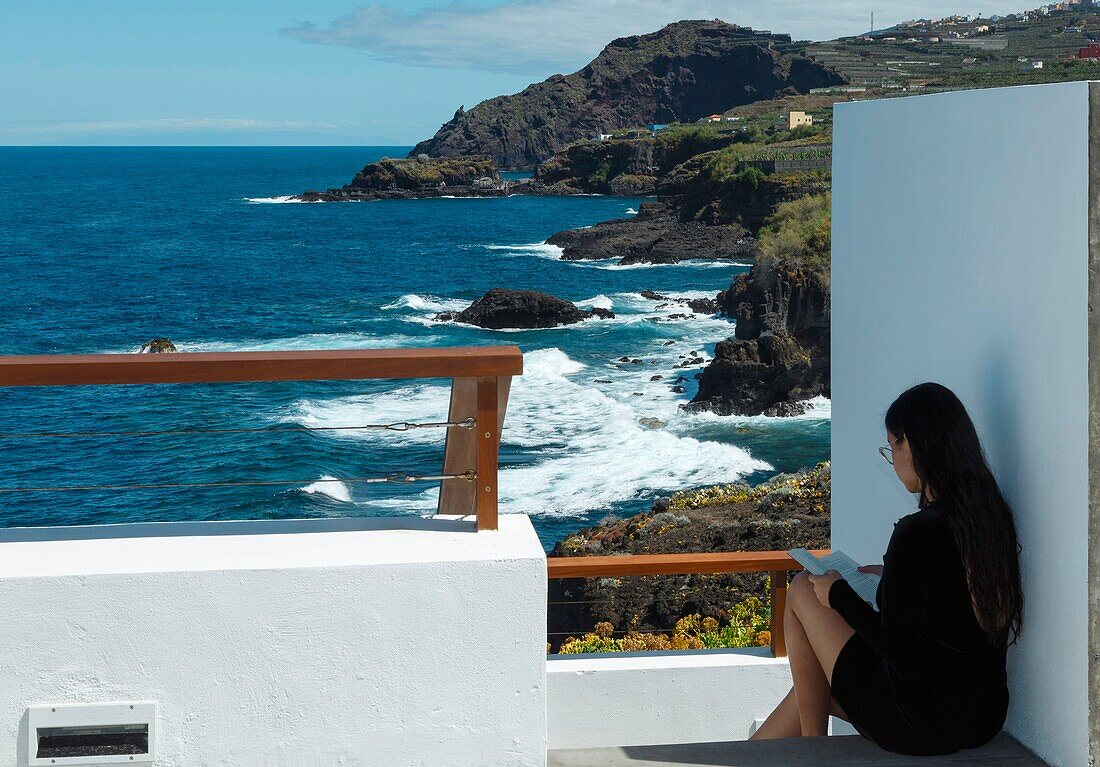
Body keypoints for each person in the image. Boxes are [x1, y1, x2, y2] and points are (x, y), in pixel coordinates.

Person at [748, 381, 1023, 755]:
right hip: (981, 716)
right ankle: (759, 750)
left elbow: (896, 644)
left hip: (918, 722)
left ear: (916, 445)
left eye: (893, 445)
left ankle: (813, 752)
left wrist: (838, 594)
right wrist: (892, 579)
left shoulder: (919, 531)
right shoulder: (989, 517)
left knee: (802, 586)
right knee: (812, 684)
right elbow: (947, 608)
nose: (892, 457)